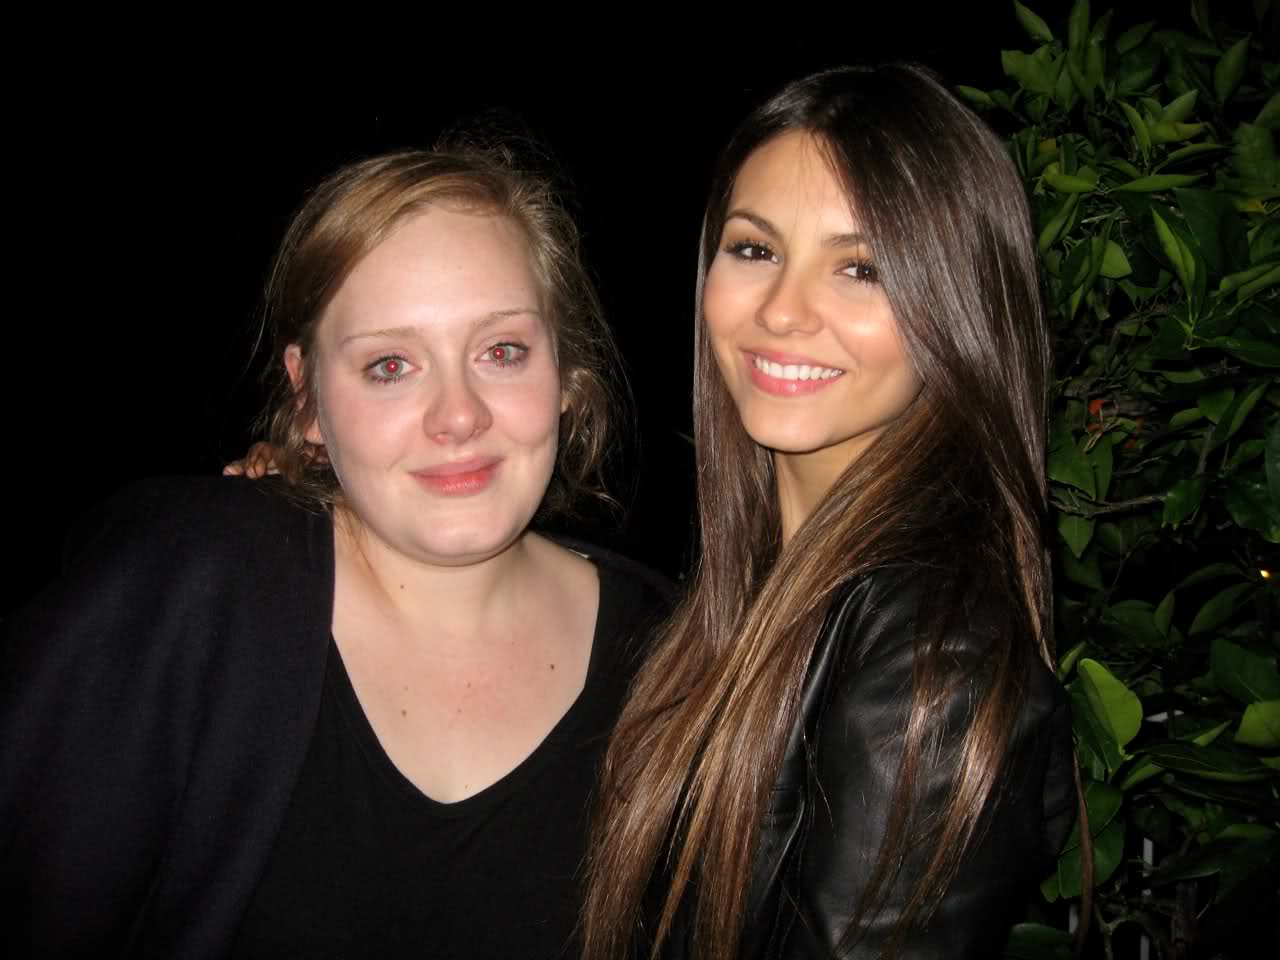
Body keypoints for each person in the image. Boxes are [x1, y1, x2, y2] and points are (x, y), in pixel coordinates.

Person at [1, 145, 669, 959]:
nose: (458, 416)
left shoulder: (681, 662)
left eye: (501, 352)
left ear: (564, 372)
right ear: (309, 397)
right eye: (390, 365)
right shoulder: (188, 591)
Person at [582, 64, 1076, 960]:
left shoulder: (935, 654)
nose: (783, 311)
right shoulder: (759, 589)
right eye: (755, 250)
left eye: (861, 268)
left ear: (957, 309)